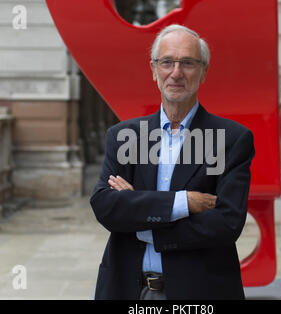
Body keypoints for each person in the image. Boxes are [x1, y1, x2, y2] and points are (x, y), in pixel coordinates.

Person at [90, 24, 255, 300]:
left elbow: (227, 224)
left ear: (203, 71)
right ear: (154, 70)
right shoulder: (124, 137)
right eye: (167, 62)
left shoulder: (231, 139)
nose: (176, 73)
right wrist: (184, 202)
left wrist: (141, 214)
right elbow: (105, 206)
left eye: (187, 63)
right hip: (129, 290)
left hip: (200, 293)